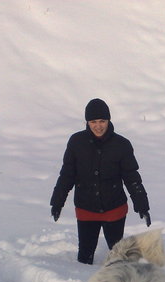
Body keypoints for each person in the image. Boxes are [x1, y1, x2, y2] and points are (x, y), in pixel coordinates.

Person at [50, 98, 151, 264]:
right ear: (87, 122)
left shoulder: (122, 145)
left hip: (115, 209)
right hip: (86, 208)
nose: (98, 126)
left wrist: (142, 205)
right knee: (84, 256)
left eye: (102, 121)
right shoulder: (76, 142)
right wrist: (57, 202)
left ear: (109, 120)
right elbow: (67, 175)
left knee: (117, 256)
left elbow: (132, 178)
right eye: (93, 121)